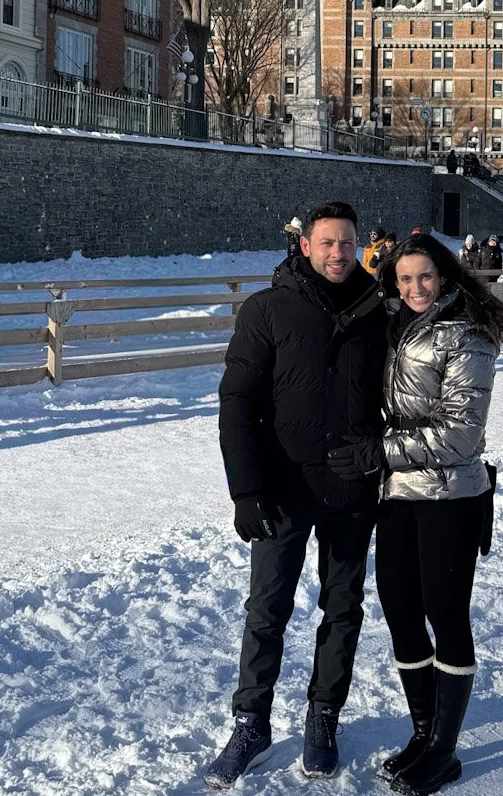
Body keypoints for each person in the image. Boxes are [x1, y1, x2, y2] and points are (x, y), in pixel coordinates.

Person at [326, 235, 503, 796]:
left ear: (446, 275)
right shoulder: (394, 323)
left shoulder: (469, 335)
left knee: (445, 614)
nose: (414, 288)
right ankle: (422, 730)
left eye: (425, 278)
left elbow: (461, 434)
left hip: (451, 498)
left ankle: (444, 750)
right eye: (404, 279)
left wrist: (378, 452)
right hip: (398, 497)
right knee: (401, 611)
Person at [208, 201, 389, 788]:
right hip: (283, 488)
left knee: (342, 607)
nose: (339, 253)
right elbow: (237, 403)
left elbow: (402, 397)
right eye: (328, 243)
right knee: (266, 610)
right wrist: (246, 488)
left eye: (348, 243)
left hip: (351, 487)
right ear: (306, 246)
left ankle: (323, 714)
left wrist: (378, 451)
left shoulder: (375, 312)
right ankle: (252, 721)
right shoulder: (267, 309)